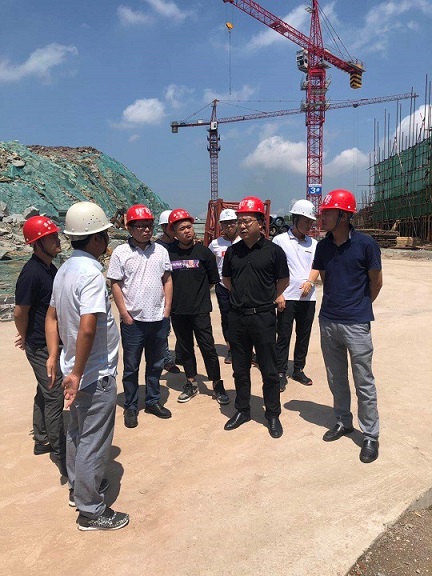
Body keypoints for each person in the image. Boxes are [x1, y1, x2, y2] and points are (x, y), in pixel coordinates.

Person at [45, 201, 129, 530]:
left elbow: (52, 317)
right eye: (105, 234)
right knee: (94, 440)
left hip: (73, 367)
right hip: (93, 373)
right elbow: (88, 327)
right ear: (96, 238)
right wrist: (80, 372)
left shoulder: (64, 269)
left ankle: (77, 487)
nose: (107, 239)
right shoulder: (92, 273)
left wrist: (56, 357)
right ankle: (91, 510)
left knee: (77, 433)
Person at [313, 189, 382, 464]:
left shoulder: (366, 244)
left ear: (343, 216)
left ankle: (370, 435)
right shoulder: (323, 247)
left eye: (327, 213)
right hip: (328, 321)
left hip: (356, 323)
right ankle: (343, 421)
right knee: (336, 377)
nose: (322, 217)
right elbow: (326, 279)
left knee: (363, 381)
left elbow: (376, 282)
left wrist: (359, 306)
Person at [222, 196, 289, 438]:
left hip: (263, 317)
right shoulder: (233, 252)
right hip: (238, 317)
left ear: (261, 223)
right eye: (239, 221)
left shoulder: (274, 251)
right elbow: (227, 280)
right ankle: (242, 410)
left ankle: (272, 414)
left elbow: (283, 280)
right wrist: (242, 298)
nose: (241, 226)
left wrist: (267, 297)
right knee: (240, 369)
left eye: (247, 221)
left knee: (269, 369)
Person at [107, 204, 173, 428]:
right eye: (141, 226)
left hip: (158, 318)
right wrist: (124, 313)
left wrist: (166, 310)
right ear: (129, 228)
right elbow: (115, 283)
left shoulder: (161, 251)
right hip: (133, 321)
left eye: (149, 226)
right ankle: (131, 406)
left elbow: (167, 280)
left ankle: (153, 401)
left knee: (156, 363)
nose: (146, 230)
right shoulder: (120, 253)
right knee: (131, 366)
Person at [14, 216, 66, 476]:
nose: (57, 240)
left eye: (55, 235)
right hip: (40, 345)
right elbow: (19, 311)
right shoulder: (31, 273)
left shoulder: (49, 268)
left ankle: (42, 438)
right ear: (37, 243)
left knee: (44, 390)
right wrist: (24, 336)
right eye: (51, 237)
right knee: (54, 393)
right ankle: (60, 452)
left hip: (50, 341)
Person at [167, 208, 229, 406]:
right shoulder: (169, 254)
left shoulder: (204, 253)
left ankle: (217, 384)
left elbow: (212, 280)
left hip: (200, 310)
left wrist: (197, 295)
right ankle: (191, 382)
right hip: (178, 311)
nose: (187, 231)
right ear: (174, 233)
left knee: (208, 347)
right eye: (182, 228)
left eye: (189, 227)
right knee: (185, 349)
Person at [273, 200, 319, 391]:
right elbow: (273, 269)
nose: (310, 225)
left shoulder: (314, 243)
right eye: (306, 221)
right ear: (295, 219)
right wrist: (278, 294)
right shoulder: (280, 241)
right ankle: (280, 371)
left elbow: (317, 266)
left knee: (303, 335)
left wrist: (310, 281)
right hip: (287, 296)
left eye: (311, 221)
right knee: (284, 335)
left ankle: (298, 369)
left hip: (308, 298)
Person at [208, 208, 240, 364]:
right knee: (227, 318)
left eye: (232, 222)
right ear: (221, 225)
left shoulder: (244, 241)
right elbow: (208, 264)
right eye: (225, 223)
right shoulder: (215, 244)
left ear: (237, 223)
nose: (229, 226)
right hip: (222, 287)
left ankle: (245, 348)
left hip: (241, 287)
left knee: (244, 318)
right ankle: (231, 349)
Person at [155, 209, 180, 374]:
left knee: (182, 327)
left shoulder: (179, 245)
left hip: (180, 293)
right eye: (172, 226)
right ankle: (166, 360)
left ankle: (181, 354)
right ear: (164, 227)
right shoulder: (157, 248)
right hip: (163, 294)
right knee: (164, 328)